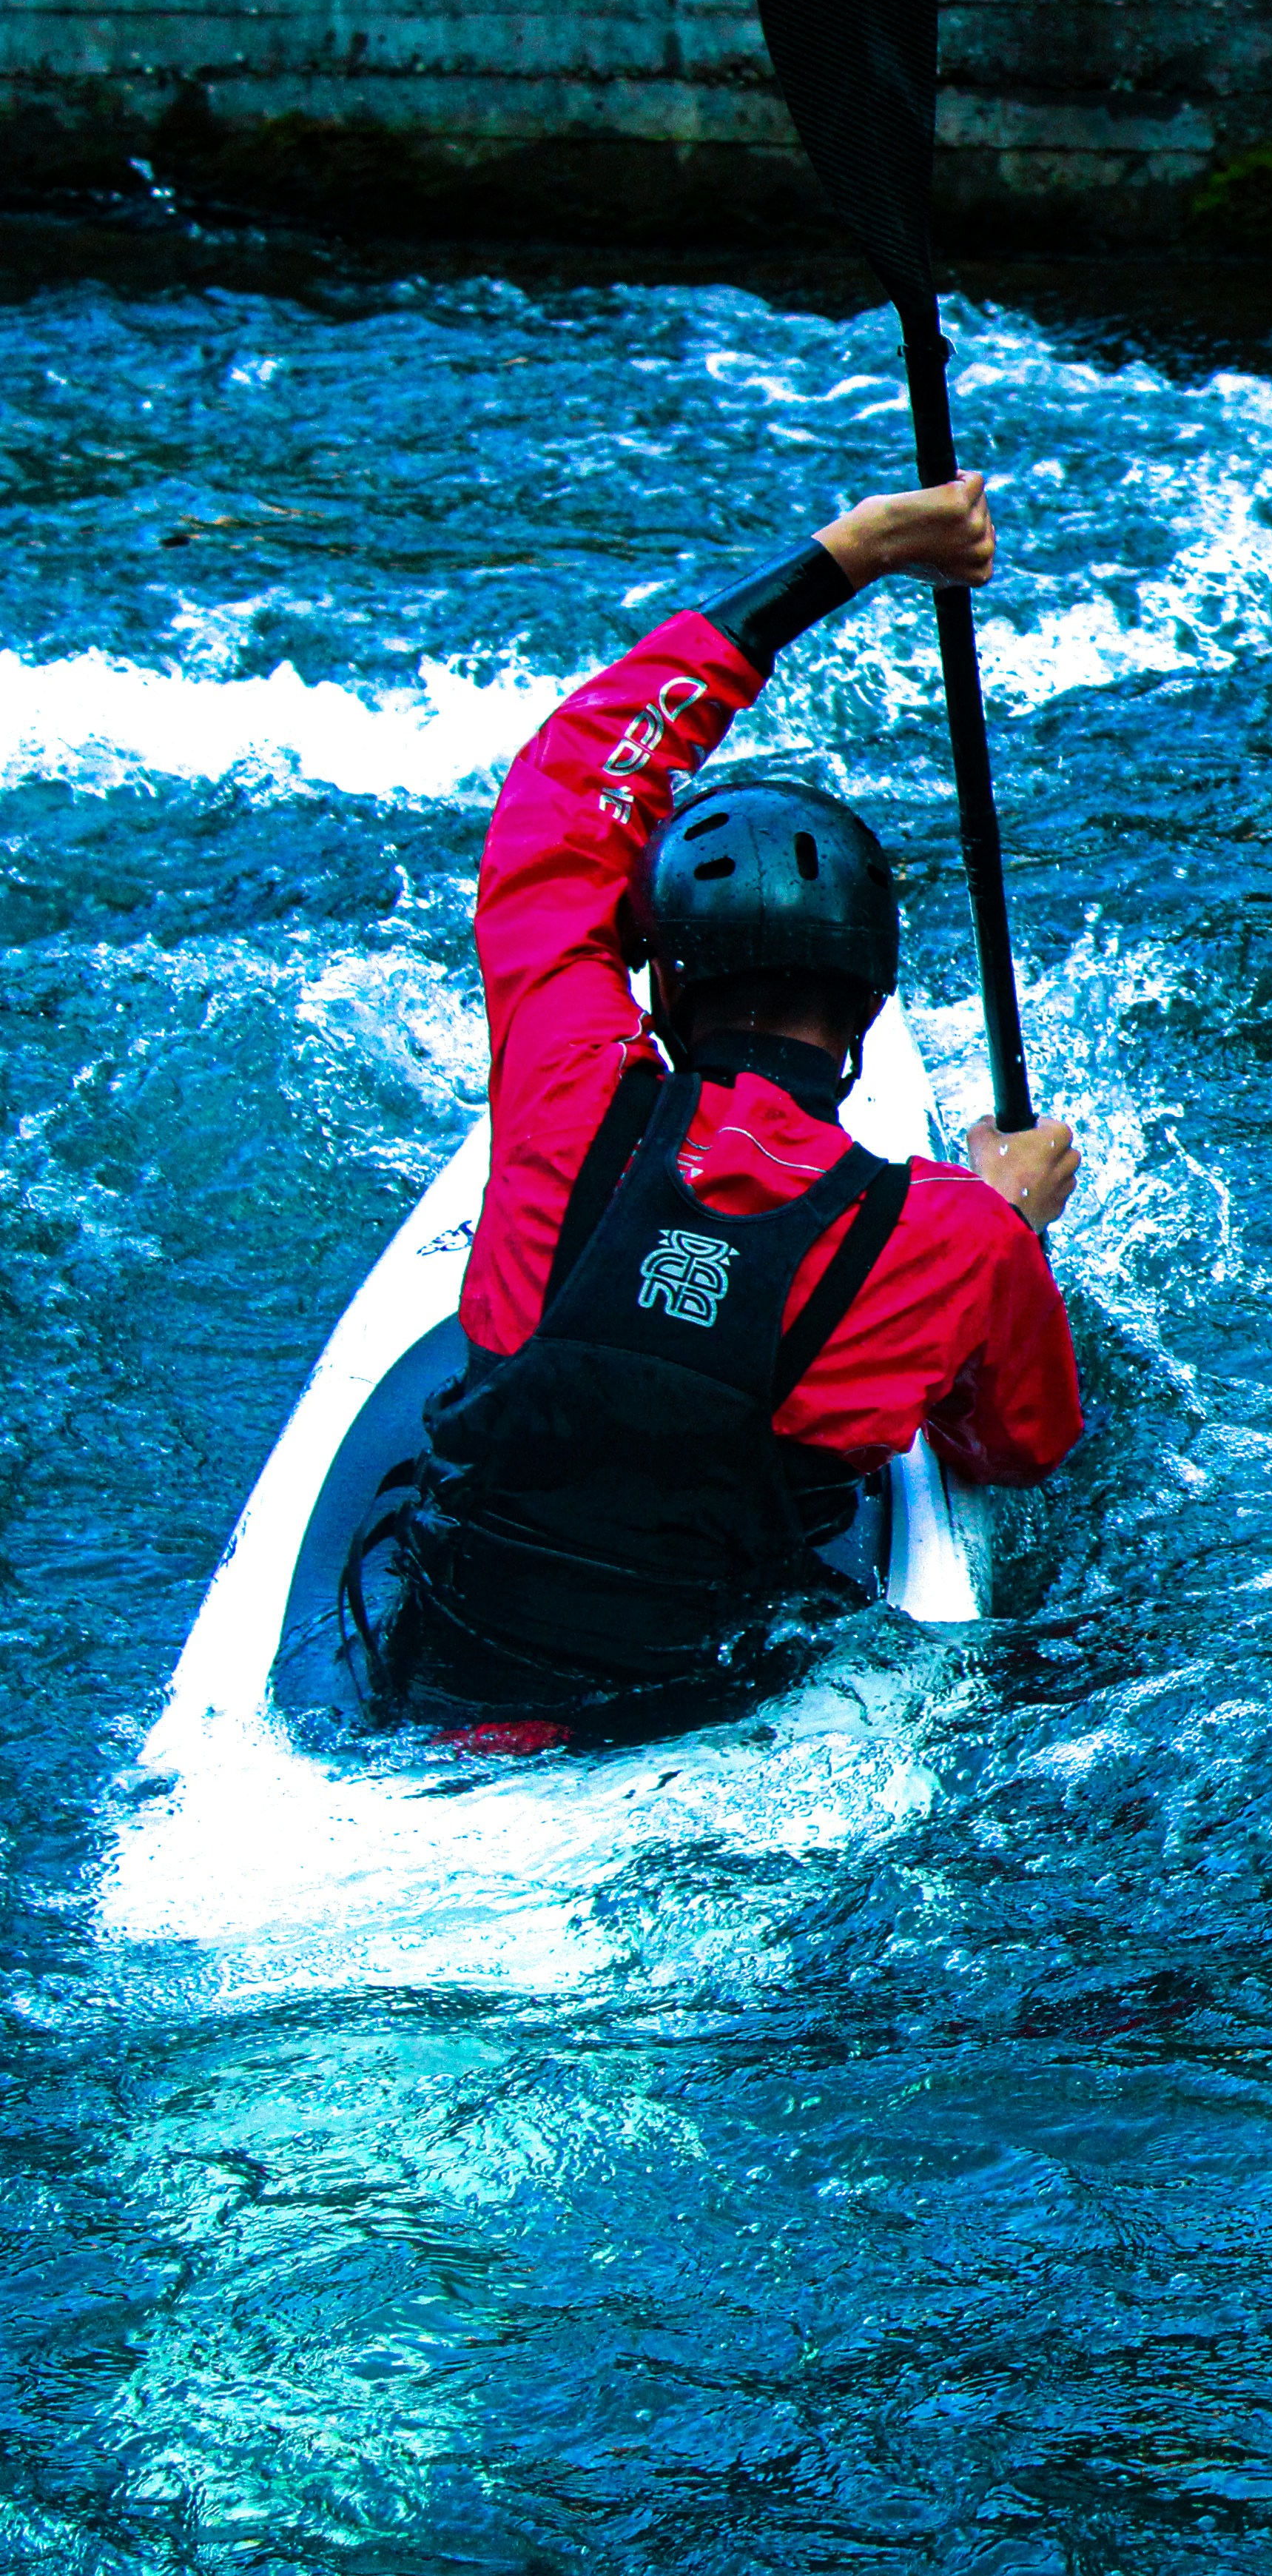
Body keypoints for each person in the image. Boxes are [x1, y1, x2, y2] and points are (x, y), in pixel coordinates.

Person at [365, 474, 1084, 1731]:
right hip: (710, 1726)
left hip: (444, 1675)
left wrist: (846, 558)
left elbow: (562, 797)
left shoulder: (567, 1076)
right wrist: (1012, 1229)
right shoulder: (952, 1236)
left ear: (658, 975)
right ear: (867, 1002)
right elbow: (1015, 1448)